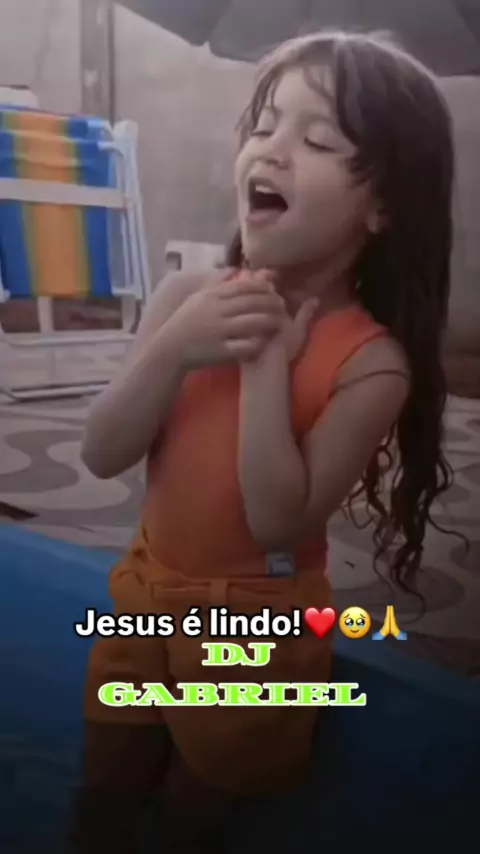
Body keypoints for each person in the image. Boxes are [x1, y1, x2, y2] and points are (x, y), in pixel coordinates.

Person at [70, 30, 454, 853]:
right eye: (266, 124)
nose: (272, 150)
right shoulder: (185, 297)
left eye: (317, 140)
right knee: (101, 790)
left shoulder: (371, 363)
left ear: (382, 207)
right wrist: (175, 347)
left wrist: (265, 366)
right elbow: (101, 454)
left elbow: (278, 521)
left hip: (257, 632)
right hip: (145, 597)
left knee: (192, 816)